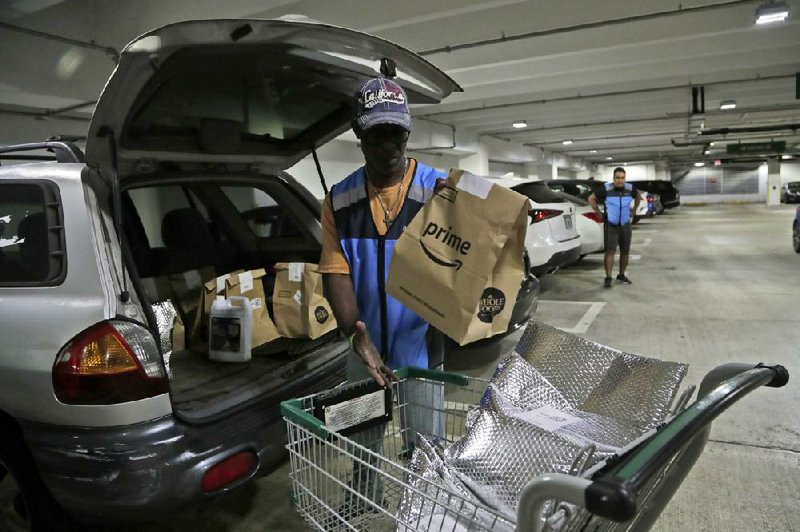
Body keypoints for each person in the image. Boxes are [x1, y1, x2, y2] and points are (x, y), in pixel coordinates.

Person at [319, 77, 446, 517]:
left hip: (422, 345)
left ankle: (424, 512)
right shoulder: (340, 199)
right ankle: (363, 499)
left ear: (408, 132)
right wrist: (357, 335)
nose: (388, 144)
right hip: (365, 344)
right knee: (362, 436)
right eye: (377, 133)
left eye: (397, 133)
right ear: (359, 133)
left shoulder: (439, 189)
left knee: (425, 444)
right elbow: (336, 271)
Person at [588, 167, 640, 288]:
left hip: (625, 224)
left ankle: (621, 275)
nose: (620, 180)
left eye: (622, 178)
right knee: (610, 251)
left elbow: (638, 197)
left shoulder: (630, 188)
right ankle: (608, 277)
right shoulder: (606, 188)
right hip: (610, 224)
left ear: (625, 178)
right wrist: (598, 212)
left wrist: (634, 210)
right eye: (617, 178)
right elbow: (591, 198)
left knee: (625, 251)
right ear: (613, 178)